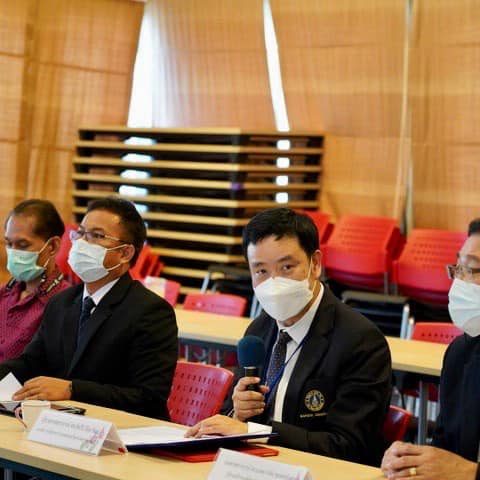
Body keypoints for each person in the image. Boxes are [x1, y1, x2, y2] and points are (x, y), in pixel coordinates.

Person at [186, 208, 392, 465]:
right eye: (261, 271)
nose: (274, 283)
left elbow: (348, 445)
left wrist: (256, 432)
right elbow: (237, 423)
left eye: (286, 267)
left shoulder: (360, 341)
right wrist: (237, 413)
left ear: (315, 264)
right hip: (257, 466)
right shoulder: (259, 331)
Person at [0, 197, 178, 419]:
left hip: (123, 429)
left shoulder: (150, 311)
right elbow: (30, 363)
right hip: (63, 424)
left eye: (97, 236)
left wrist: (72, 389)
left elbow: (148, 397)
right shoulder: (62, 302)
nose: (82, 243)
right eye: (81, 233)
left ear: (125, 253)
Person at [381, 232, 480, 480]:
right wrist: (411, 461)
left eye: (471, 269)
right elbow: (445, 448)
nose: (460, 282)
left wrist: (471, 472)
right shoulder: (461, 353)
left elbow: (459, 468)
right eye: (458, 268)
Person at [0, 199, 70, 362]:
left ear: (52, 246)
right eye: (9, 244)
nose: (13, 253)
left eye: (23, 245)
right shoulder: (4, 293)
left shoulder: (66, 303)